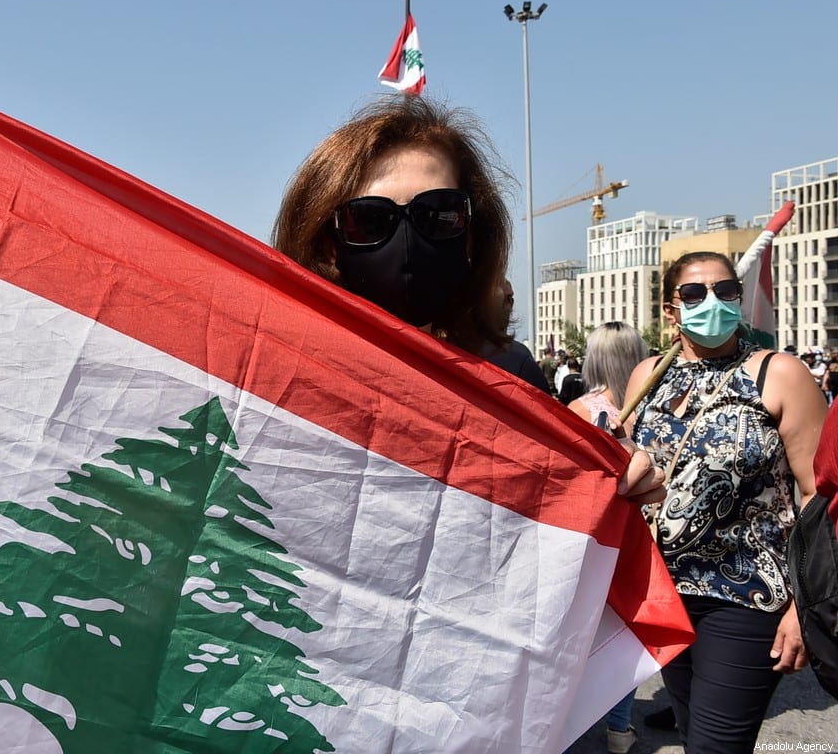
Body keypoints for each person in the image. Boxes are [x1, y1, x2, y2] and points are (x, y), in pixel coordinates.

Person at [269, 93, 665, 506]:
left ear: (473, 238)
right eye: (368, 218)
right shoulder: (276, 377)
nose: (407, 243)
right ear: (328, 243)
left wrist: (612, 483)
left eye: (439, 214)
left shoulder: (507, 376)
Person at [626, 251, 827, 754]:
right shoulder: (648, 376)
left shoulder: (779, 373)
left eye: (724, 291)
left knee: (715, 746)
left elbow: (822, 494)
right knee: (695, 734)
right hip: (661, 595)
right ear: (671, 309)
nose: (710, 302)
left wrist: (804, 607)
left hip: (747, 597)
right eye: (694, 294)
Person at [567, 321, 650, 754]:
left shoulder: (580, 408)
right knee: (626, 631)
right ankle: (620, 727)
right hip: (645, 534)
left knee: (582, 630)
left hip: (596, 537)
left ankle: (570, 722)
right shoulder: (654, 408)